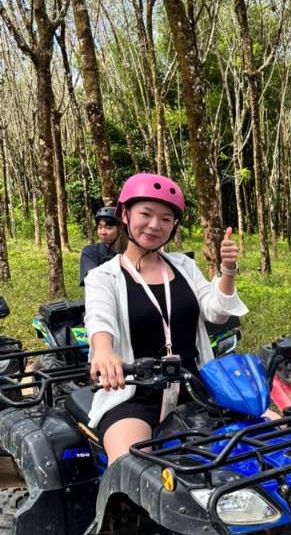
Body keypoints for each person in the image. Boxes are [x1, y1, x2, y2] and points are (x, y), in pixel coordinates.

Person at [85, 173, 248, 464]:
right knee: (130, 468)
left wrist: (227, 270)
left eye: (165, 218)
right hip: (134, 395)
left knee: (269, 435)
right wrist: (104, 351)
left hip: (197, 386)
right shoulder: (104, 277)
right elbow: (99, 318)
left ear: (174, 225)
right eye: (145, 214)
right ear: (125, 214)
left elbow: (216, 312)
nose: (154, 225)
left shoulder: (185, 266)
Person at [80, 206, 121, 285]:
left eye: (108, 228)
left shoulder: (129, 252)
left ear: (120, 228)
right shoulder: (90, 252)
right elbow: (91, 279)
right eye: (100, 227)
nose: (103, 232)